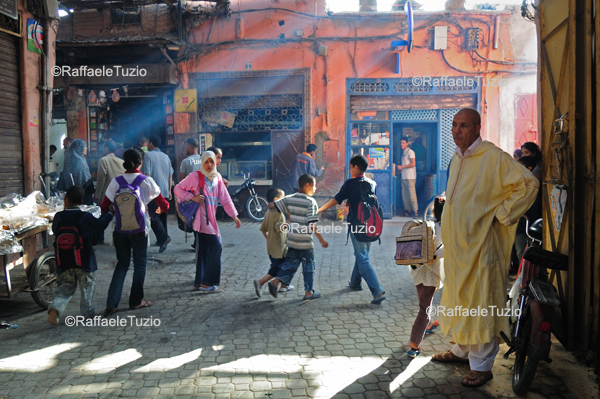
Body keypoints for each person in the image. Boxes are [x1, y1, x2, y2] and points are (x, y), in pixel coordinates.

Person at [431, 108, 538, 388]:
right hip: (458, 250)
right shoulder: (457, 158)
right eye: (454, 125)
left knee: (481, 303)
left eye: (463, 125)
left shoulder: (493, 157)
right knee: (460, 298)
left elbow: (528, 185)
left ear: (478, 127)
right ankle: (462, 351)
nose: (456, 130)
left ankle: (482, 366)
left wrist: (500, 215)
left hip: (481, 248)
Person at [100, 148, 169, 314]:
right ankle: (136, 301)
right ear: (140, 162)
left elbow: (103, 208)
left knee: (122, 264)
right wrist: (157, 210)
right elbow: (165, 205)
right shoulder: (146, 181)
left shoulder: (116, 182)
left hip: (120, 230)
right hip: (139, 230)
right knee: (140, 265)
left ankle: (111, 302)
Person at [318, 155, 386, 304]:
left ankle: (377, 291)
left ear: (355, 167)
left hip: (358, 225)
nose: (350, 170)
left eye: (350, 167)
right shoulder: (372, 183)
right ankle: (355, 283)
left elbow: (336, 199)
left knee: (363, 259)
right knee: (362, 254)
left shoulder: (349, 184)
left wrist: (320, 209)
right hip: (371, 225)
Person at [174, 151, 241, 292]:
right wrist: (192, 197)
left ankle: (199, 282)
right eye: (206, 162)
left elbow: (225, 198)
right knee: (216, 247)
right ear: (202, 162)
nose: (210, 165)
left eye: (212, 161)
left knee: (203, 252)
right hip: (202, 221)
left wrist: (234, 216)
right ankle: (207, 283)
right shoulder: (195, 176)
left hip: (210, 220)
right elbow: (177, 189)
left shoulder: (217, 177)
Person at [48, 186, 113, 325]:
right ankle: (87, 312)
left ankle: (55, 308)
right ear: (81, 201)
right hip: (84, 259)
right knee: (87, 286)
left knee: (65, 286)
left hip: (64, 259)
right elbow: (100, 226)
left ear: (65, 199)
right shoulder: (85, 217)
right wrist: (110, 214)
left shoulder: (58, 217)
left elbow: (54, 230)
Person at [267, 174, 329, 301]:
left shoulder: (289, 198)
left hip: (292, 240)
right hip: (305, 242)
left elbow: (272, 205)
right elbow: (312, 224)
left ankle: (275, 281)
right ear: (307, 185)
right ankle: (308, 293)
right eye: (314, 185)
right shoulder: (310, 202)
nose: (315, 189)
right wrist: (321, 239)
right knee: (309, 266)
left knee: (290, 264)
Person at [407, 198, 445, 357]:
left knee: (423, 300)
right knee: (425, 308)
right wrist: (434, 256)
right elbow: (444, 251)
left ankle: (428, 325)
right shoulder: (444, 228)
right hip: (431, 272)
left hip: (417, 269)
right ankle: (414, 344)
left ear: (434, 212)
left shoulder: (425, 225)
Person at [253, 188, 293, 297]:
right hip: (279, 249)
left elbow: (263, 230)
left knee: (280, 267)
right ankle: (260, 283)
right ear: (276, 199)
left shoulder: (268, 213)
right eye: (283, 198)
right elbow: (281, 229)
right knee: (277, 269)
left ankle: (284, 285)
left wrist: (269, 239)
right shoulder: (278, 214)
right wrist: (290, 220)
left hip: (271, 247)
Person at [141, 135, 173, 253]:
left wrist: (145, 191)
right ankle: (162, 239)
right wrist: (169, 190)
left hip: (154, 193)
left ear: (151, 143)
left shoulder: (148, 155)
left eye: (148, 142)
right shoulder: (166, 156)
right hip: (164, 191)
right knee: (162, 215)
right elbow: (170, 175)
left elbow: (147, 175)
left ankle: (163, 237)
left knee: (153, 216)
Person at [513, 155, 542, 266]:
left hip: (525, 224)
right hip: (522, 224)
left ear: (529, 168)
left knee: (523, 253)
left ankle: (525, 278)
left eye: (520, 166)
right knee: (521, 252)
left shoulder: (530, 184)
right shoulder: (521, 182)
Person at [62, 139, 94, 205]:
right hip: (83, 194)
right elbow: (86, 179)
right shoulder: (79, 162)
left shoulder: (72, 159)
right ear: (79, 148)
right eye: (84, 146)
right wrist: (92, 191)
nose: (86, 148)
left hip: (74, 193)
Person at [397, 137, 418, 218]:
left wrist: (402, 167)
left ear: (407, 143)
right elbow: (404, 166)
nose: (401, 144)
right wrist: (398, 172)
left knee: (412, 195)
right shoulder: (403, 152)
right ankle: (408, 211)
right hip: (404, 177)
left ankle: (415, 212)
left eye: (403, 143)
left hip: (410, 177)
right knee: (405, 195)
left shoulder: (410, 152)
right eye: (401, 143)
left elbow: (413, 164)